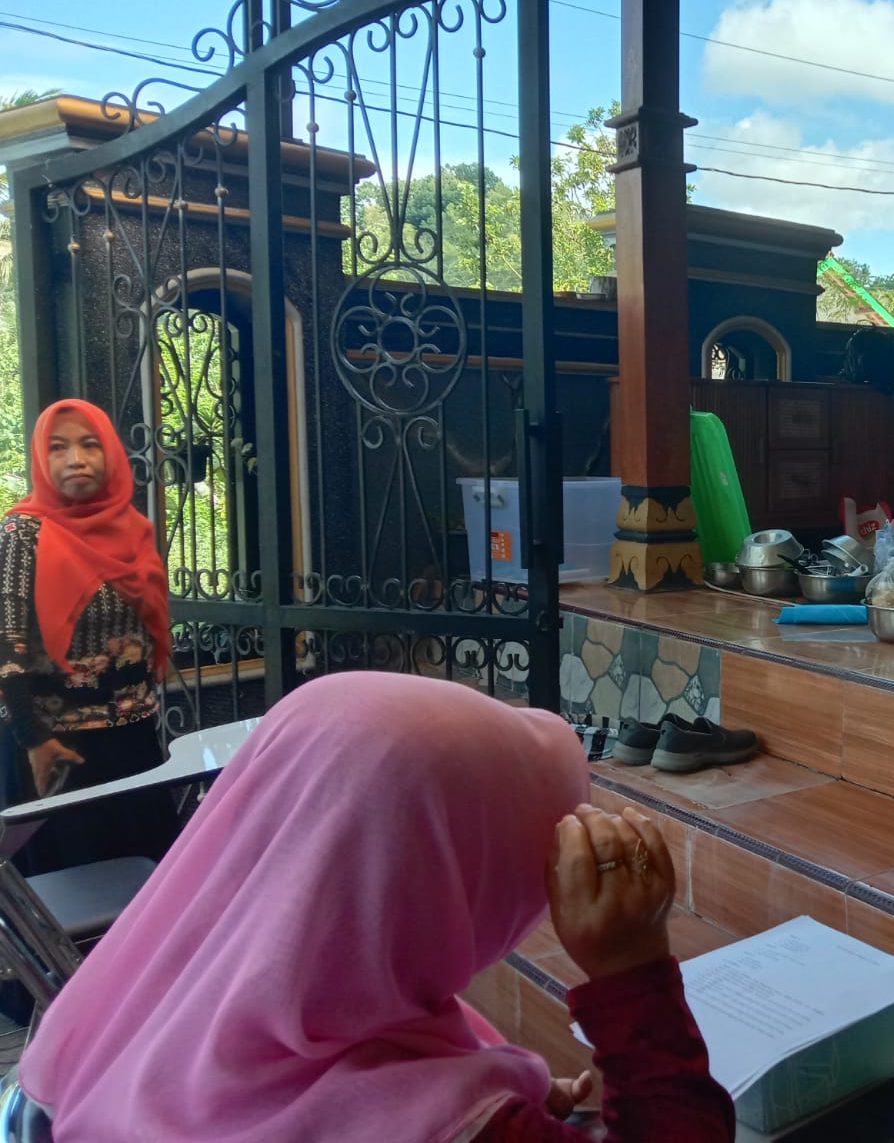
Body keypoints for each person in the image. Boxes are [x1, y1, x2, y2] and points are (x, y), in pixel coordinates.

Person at [18, 670, 736, 1142]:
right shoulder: (429, 1127)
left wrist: (494, 1084)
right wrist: (632, 972)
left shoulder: (129, 1013)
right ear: (434, 895)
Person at [0, 398, 177, 871]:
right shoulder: (24, 532)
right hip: (57, 749)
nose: (75, 459)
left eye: (89, 444)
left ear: (111, 453)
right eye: (57, 448)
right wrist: (31, 738)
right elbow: (6, 645)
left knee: (145, 878)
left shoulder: (134, 531)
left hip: (133, 740)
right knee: (73, 889)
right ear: (41, 459)